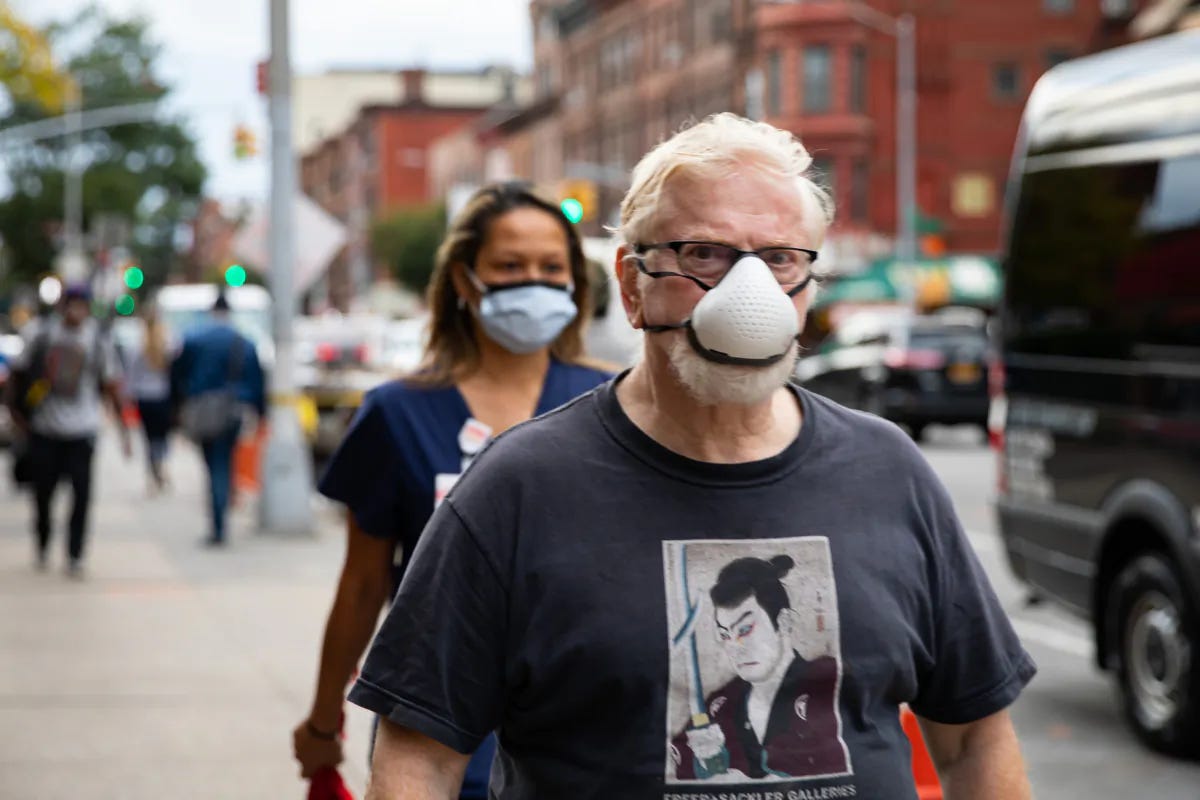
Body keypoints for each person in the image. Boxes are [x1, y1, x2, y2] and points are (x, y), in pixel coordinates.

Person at [349, 114, 1037, 800]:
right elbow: (420, 757)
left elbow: (974, 737)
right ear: (632, 285)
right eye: (703, 254)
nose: (750, 293)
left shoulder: (890, 472)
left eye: (779, 259)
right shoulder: (518, 489)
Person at [291, 181, 613, 798]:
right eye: (510, 266)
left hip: (588, 733)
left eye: (553, 268)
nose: (535, 283)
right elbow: (363, 583)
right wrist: (324, 719)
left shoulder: (618, 403)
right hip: (440, 734)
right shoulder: (397, 412)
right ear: (466, 281)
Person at [670, 554, 846, 781]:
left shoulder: (827, 681)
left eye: (744, 630)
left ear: (784, 622)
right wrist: (701, 765)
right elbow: (676, 768)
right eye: (725, 634)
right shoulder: (720, 705)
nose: (735, 647)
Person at [5, 283, 132, 577]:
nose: (76, 310)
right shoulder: (40, 333)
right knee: (43, 494)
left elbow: (111, 385)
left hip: (82, 430)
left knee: (82, 495)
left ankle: (75, 553)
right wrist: (17, 415)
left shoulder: (98, 338)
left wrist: (125, 431)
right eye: (71, 303)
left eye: (81, 304)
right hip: (45, 429)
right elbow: (17, 375)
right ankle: (43, 539)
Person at [169, 290, 265, 546]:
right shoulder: (244, 341)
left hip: (203, 410)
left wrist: (179, 404)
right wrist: (260, 412)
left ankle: (218, 523)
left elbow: (177, 373)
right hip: (233, 410)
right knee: (224, 462)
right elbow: (257, 381)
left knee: (213, 465)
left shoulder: (194, 338)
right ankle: (221, 518)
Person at [127, 303, 174, 492]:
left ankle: (153, 469)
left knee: (149, 437)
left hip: (144, 397)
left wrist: (129, 395)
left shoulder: (137, 345)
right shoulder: (167, 344)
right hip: (162, 396)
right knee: (162, 437)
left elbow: (131, 375)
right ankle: (160, 464)